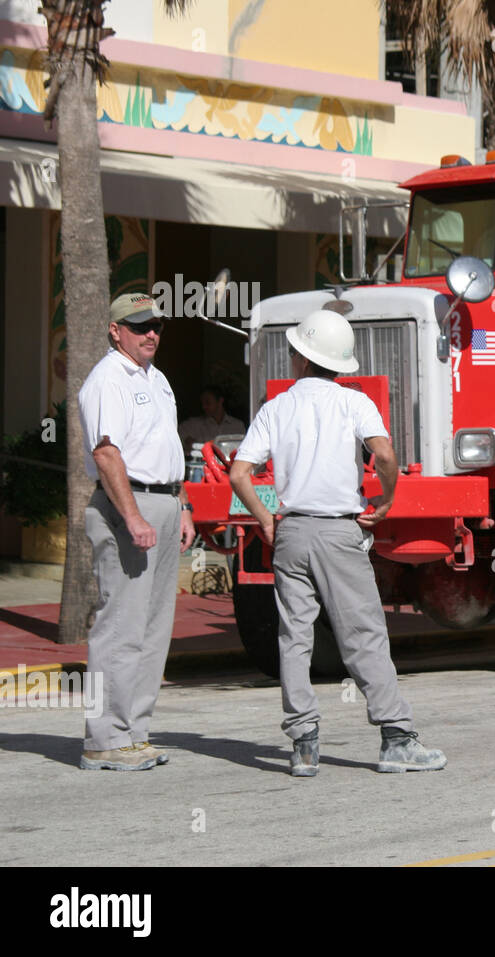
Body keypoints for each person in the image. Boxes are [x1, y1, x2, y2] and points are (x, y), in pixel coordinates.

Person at [227, 309, 445, 776]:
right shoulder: (353, 403)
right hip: (339, 531)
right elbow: (384, 454)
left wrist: (266, 519)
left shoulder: (275, 408)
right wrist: (385, 499)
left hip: (292, 531)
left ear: (301, 357)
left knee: (294, 636)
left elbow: (239, 474)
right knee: (363, 634)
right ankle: (396, 738)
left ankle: (304, 742)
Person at [78, 292, 196, 770]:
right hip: (130, 503)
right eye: (139, 325)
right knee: (120, 626)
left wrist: (181, 505)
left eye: (157, 326)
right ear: (115, 330)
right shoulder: (109, 378)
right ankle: (104, 738)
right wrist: (132, 516)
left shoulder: (157, 378)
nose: (151, 333)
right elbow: (107, 453)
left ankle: (133, 733)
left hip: (162, 500)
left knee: (152, 628)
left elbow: (164, 448)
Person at [179, 384, 244, 450]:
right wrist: (188, 442)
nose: (204, 407)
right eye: (202, 403)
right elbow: (179, 436)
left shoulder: (238, 426)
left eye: (208, 403)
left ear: (220, 401)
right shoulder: (193, 424)